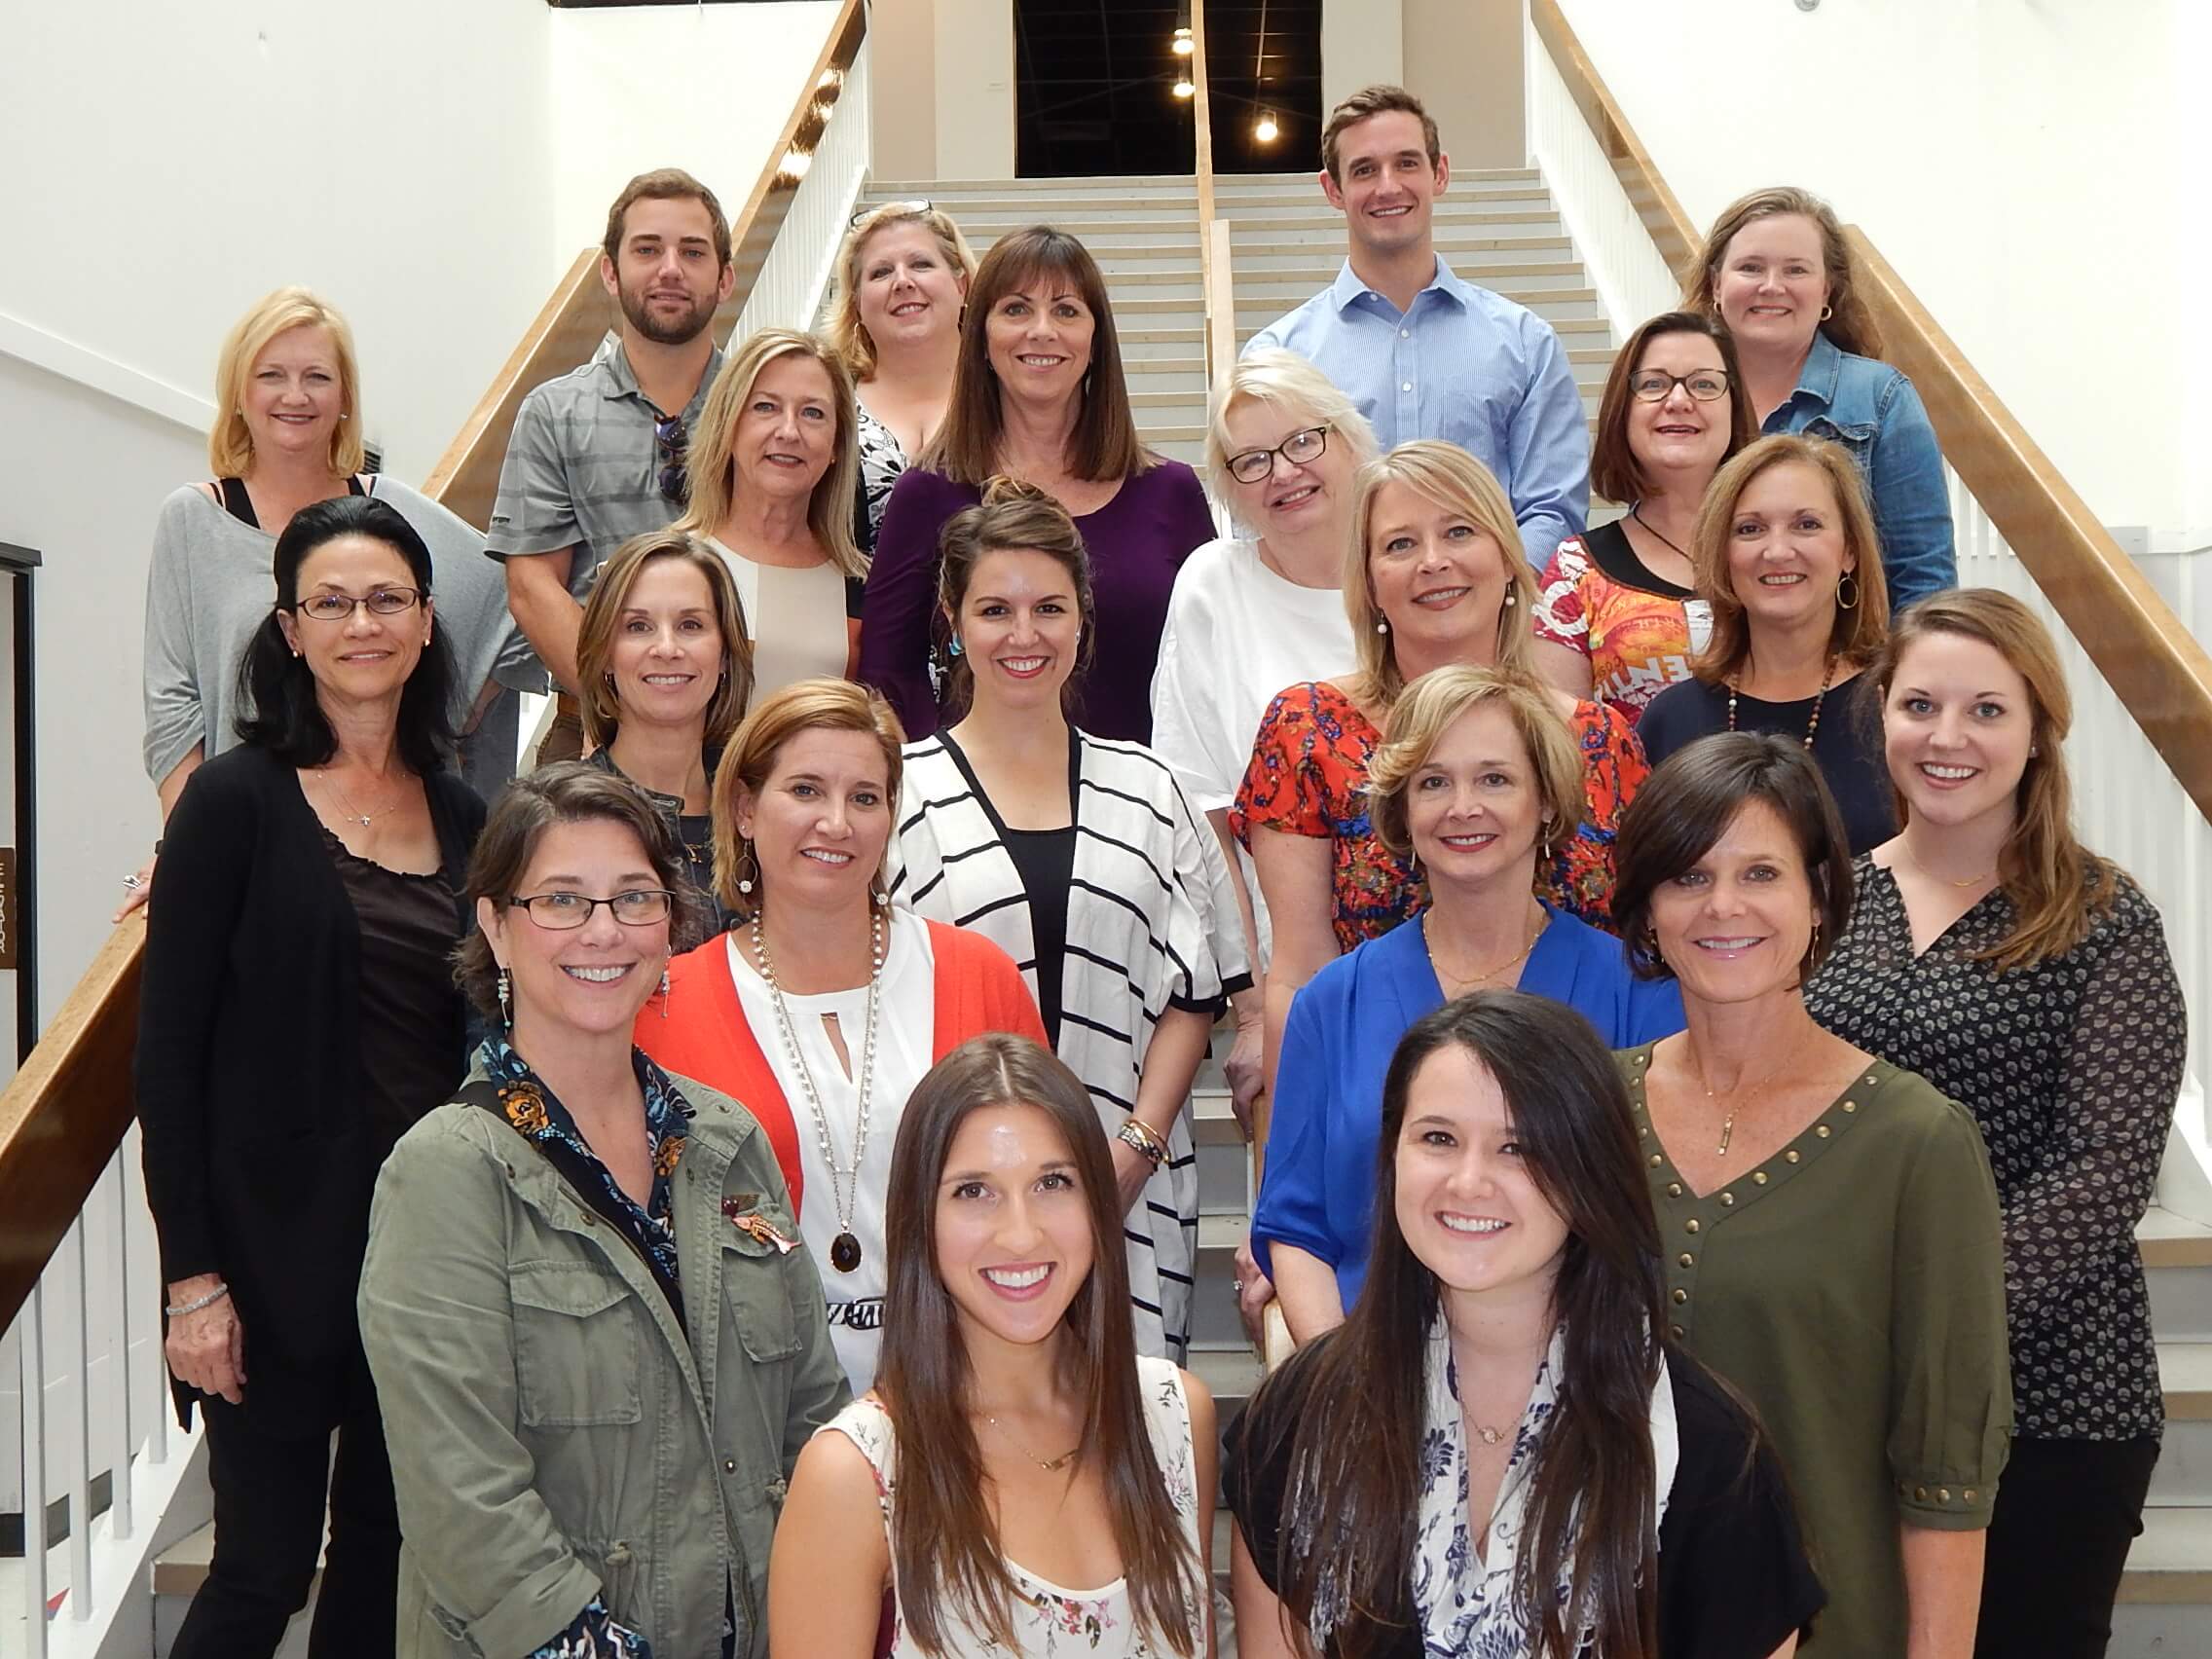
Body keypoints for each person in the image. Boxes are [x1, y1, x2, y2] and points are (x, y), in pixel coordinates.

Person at [358, 764, 848, 1658]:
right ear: (496, 928)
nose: (603, 931)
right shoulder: (447, 1174)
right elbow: (462, 1496)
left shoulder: (728, 1141)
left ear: (669, 922)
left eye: (633, 898)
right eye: (561, 900)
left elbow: (813, 1415)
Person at [134, 495, 488, 1659]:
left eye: (387, 599)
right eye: (330, 603)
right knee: (263, 1570)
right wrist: (192, 1282)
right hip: (267, 1259)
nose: (361, 624)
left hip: (426, 1259)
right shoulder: (232, 802)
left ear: (426, 621)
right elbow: (167, 1058)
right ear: (290, 630)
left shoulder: (466, 815)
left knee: (385, 1559)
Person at [1803, 590, 2187, 1659]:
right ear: (1883, 714)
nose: (1948, 737)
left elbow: (2106, 1169)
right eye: (1920, 705)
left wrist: (1932, 1317)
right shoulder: (1826, 900)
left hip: (2054, 1395)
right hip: (1844, 1386)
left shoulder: (2101, 916)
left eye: (1985, 711)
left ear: (2036, 731)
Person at [1229, 991, 1825, 1659]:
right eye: (1438, 1138)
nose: (1469, 1181)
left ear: (1591, 1171)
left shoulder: (1712, 1456)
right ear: (1392, 1155)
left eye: (1517, 1148)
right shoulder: (1296, 1420)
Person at [1612, 733, 2012, 1657]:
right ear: (1648, 911)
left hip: (1839, 1625)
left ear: (1820, 896)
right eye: (1689, 876)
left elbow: (1947, 1479)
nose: (1723, 906)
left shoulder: (1917, 1143)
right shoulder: (1588, 1111)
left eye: (1761, 873)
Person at [892, 481, 1251, 1362]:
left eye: (1049, 608)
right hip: (955, 1191)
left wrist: (1134, 1149)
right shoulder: (896, 792)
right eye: (996, 610)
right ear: (953, 621)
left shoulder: (1151, 789)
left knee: (1131, 1423)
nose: (1025, 635)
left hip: (1130, 1190)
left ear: (1084, 620)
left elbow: (1194, 992)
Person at [635, 678, 1048, 1388]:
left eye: (864, 797)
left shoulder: (978, 975)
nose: (837, 823)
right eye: (805, 790)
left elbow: (1044, 1190)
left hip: (965, 1387)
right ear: (744, 810)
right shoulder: (665, 1006)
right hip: (753, 1404)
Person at [1251, 666, 1684, 1341]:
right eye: (1433, 783)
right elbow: (1295, 1227)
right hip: (1372, 1365)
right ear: (1402, 810)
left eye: (1494, 779)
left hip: (1586, 1367)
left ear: (1547, 802)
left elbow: (1659, 1220)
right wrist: (1343, 1379)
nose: (1463, 807)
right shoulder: (1331, 1004)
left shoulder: (1640, 995)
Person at [771, 1034, 1213, 1658]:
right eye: (974, 1191)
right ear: (919, 1218)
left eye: (1053, 1182)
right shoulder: (856, 1475)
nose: (1021, 1235)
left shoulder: (1174, 1419)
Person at [1233, 441, 1645, 1092]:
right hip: (1378, 1097)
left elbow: (1637, 955)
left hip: (1574, 1096)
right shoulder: (1306, 730)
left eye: (1458, 531)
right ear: (1370, 584)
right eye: (1400, 544)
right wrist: (1301, 1137)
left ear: (1508, 560)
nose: (1433, 562)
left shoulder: (1599, 742)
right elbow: (1300, 970)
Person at [131, 286, 523, 912]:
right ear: (239, 393)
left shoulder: (393, 511)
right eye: (272, 375)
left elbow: (514, 606)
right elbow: (174, 705)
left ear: (344, 399)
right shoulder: (192, 521)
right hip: (253, 845)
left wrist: (458, 711)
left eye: (317, 377)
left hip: (396, 847)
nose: (296, 395)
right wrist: (189, 851)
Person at [860, 226, 1215, 745]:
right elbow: (887, 679)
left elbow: (1210, 670)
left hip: (1144, 790)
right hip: (971, 790)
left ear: (1096, 340)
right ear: (981, 336)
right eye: (1016, 309)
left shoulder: (1172, 493)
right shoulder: (927, 493)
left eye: (1066, 310)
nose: (1042, 330)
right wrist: (938, 777)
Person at [1148, 350, 1376, 1123]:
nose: (1283, 472)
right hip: (1290, 984)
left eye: (1303, 441)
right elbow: (1202, 817)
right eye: (1251, 461)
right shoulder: (1214, 585)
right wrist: (1251, 1009)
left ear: (1349, 439)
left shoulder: (1411, 566)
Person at [1243, 85, 1587, 569]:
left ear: (1439, 173)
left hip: (1492, 610)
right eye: (1364, 170)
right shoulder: (1280, 355)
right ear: (1333, 190)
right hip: (1332, 610)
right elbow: (1263, 511)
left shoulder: (1526, 343)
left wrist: (1493, 597)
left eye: (1406, 163)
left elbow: (1553, 509)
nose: (1388, 187)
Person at [489, 167, 735, 753]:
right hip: (591, 730)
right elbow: (532, 587)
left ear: (725, 278)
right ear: (610, 271)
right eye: (647, 249)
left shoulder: (763, 411)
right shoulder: (554, 413)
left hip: (741, 734)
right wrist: (634, 708)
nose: (670, 269)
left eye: (692, 252)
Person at [1684, 185, 1954, 609]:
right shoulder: (1676, 397)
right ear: (1717, 284)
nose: (1771, 286)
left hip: (1851, 649)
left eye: (1796, 270)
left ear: (1827, 290)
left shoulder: (1881, 399)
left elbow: (1924, 580)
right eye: (1751, 268)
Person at [1639, 433, 1896, 853]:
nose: (1777, 551)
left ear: (1849, 551)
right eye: (1750, 529)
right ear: (1724, 556)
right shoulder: (1668, 720)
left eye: (1806, 525)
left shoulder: (1899, 708)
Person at [1531, 312, 1756, 722]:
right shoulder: (1577, 569)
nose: (1679, 401)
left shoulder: (1781, 549)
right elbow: (1559, 739)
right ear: (1623, 412)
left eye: (1705, 384)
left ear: (1735, 408)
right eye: (1654, 384)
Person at [573, 528, 756, 932]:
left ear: (725, 653)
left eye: (691, 625)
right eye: (638, 627)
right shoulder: (559, 815)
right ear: (605, 653)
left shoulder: (765, 809)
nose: (668, 649)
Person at [673, 327, 868, 692]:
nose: (789, 432)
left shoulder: (860, 584)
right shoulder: (665, 564)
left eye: (812, 413)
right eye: (766, 407)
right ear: (728, 426)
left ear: (836, 446)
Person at [829, 201, 978, 546]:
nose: (902, 281)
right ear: (857, 304)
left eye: (921, 264)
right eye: (881, 272)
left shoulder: (1011, 393)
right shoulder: (829, 404)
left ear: (962, 285)